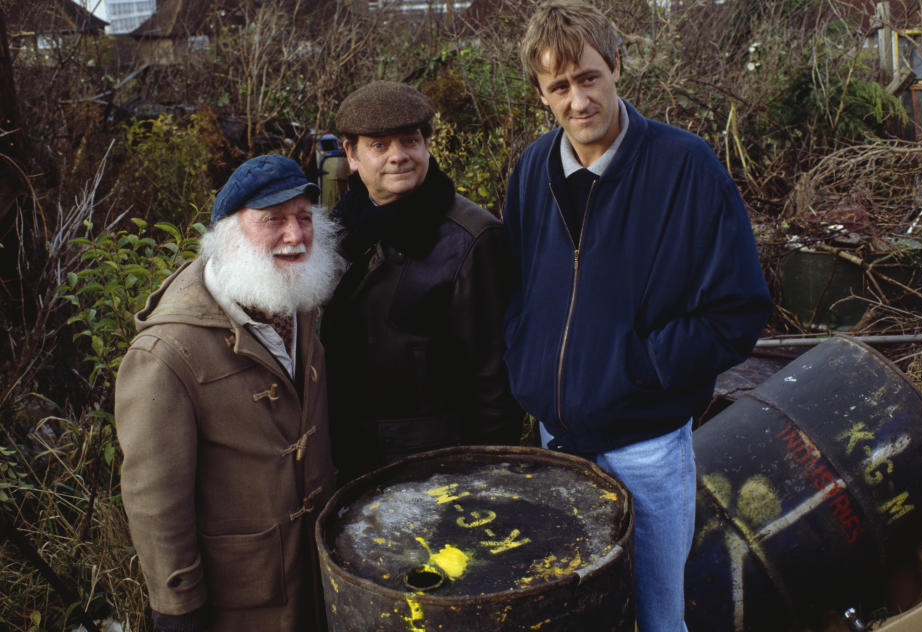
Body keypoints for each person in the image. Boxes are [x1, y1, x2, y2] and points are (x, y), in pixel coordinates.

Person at [502, 2, 773, 630]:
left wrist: (638, 368)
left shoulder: (685, 167)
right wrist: (528, 359)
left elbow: (737, 310)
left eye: (589, 77)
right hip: (557, 442)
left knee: (656, 618)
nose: (579, 101)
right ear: (542, 95)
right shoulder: (531, 171)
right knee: (576, 615)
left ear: (617, 65)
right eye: (559, 87)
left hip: (645, 445)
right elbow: (515, 288)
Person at [115, 154, 342, 632]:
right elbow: (155, 497)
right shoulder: (167, 352)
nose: (295, 236)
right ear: (229, 234)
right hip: (241, 598)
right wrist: (178, 607)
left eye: (304, 219)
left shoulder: (293, 298)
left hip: (315, 573)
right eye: (273, 220)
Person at [321, 80, 523, 483]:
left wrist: (485, 479)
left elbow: (493, 386)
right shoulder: (336, 230)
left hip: (433, 470)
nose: (398, 157)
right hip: (346, 460)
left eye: (410, 141)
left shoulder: (472, 238)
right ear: (352, 155)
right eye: (379, 145)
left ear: (427, 145)